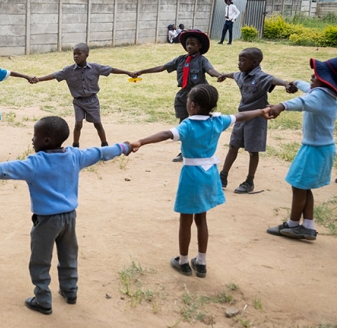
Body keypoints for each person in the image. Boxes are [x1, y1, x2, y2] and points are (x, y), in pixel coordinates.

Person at [0, 116, 131, 314]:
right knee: (69, 256)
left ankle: (43, 300)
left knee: (40, 260)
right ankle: (70, 291)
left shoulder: (35, 163)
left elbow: (8, 169)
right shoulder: (75, 156)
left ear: (46, 141)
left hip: (46, 221)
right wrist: (124, 147)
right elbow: (100, 153)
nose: (32, 140)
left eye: (35, 136)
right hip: (69, 218)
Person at [130, 85, 268, 277]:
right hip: (209, 173)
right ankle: (201, 262)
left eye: (188, 101)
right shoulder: (217, 121)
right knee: (201, 218)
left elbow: (165, 134)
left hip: (192, 176)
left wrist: (140, 141)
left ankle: (184, 261)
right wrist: (261, 111)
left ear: (192, 105)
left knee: (185, 220)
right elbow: (241, 116)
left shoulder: (188, 125)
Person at [265, 57, 337, 241]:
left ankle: (293, 224)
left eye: (318, 75)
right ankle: (308, 226)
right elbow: (308, 89)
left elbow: (302, 102)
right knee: (305, 187)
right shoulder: (327, 94)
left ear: (328, 82)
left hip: (314, 150)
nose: (313, 76)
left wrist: (281, 106)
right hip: (321, 148)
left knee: (298, 185)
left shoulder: (319, 96)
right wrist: (295, 82)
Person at [134, 30, 222, 162]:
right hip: (184, 95)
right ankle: (184, 151)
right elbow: (162, 67)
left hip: (199, 95)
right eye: (187, 44)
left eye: (193, 44)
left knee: (200, 123)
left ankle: (201, 149)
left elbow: (210, 70)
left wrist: (218, 75)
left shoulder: (202, 60)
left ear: (199, 46)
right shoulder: (181, 60)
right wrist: (142, 71)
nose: (189, 46)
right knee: (184, 123)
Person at [217, 47, 295, 194]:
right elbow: (233, 75)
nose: (239, 63)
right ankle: (222, 176)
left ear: (254, 62)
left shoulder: (260, 77)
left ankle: (249, 181)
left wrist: (286, 84)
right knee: (233, 146)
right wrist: (223, 75)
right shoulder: (241, 75)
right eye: (239, 60)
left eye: (243, 60)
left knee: (253, 151)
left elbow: (272, 79)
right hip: (241, 118)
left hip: (257, 119)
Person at [32, 42, 135, 147]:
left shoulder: (95, 67)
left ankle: (105, 145)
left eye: (79, 54)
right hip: (78, 101)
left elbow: (111, 69)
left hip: (92, 101)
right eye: (74, 54)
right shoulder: (68, 70)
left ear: (86, 55)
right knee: (78, 124)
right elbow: (54, 75)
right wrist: (39, 79)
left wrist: (127, 72)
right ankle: (75, 146)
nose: (76, 56)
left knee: (98, 124)